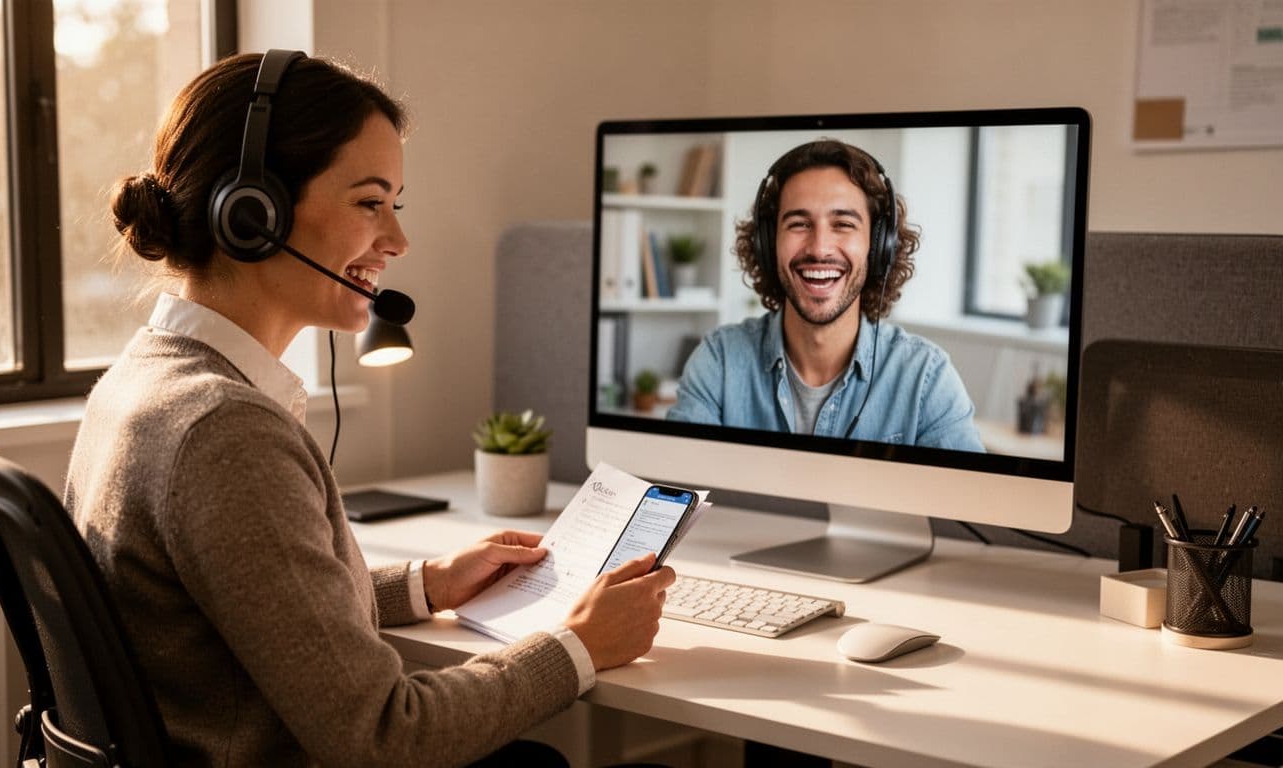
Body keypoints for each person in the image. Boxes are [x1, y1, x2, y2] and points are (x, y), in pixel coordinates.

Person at [65, 51, 674, 767]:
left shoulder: (145, 379)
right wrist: (578, 647)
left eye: (396, 204)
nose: (398, 241)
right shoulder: (224, 433)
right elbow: (385, 736)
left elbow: (260, 612)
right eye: (369, 202)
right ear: (253, 213)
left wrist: (427, 584)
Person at [666, 139, 984, 451]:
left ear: (879, 247)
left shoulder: (926, 378)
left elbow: (967, 503)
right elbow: (677, 486)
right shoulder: (718, 362)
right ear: (767, 244)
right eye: (799, 224)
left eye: (843, 224)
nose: (819, 248)